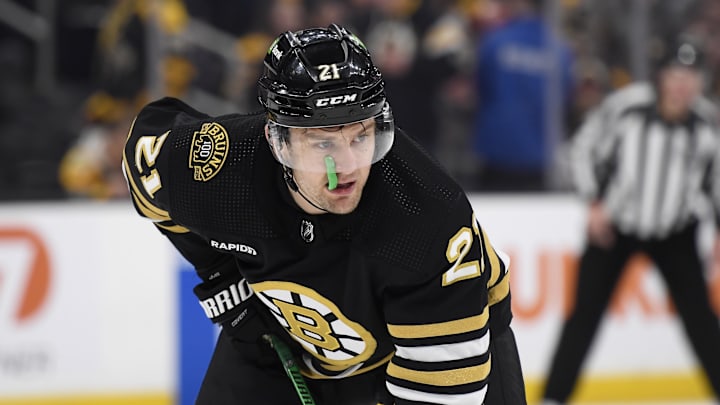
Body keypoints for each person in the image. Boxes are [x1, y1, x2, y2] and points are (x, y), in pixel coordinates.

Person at [122, 24, 527, 404]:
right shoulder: (220, 170)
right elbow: (145, 165)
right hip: (280, 336)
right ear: (276, 139)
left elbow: (441, 391)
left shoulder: (425, 219)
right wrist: (220, 275)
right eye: (322, 144)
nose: (348, 166)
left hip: (438, 344)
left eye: (361, 136)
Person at [541, 35, 720, 404]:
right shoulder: (626, 108)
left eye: (691, 74)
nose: (683, 83)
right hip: (615, 229)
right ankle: (553, 398)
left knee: (701, 321)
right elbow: (580, 150)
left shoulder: (707, 124)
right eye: (675, 73)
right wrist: (592, 203)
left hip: (676, 231)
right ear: (661, 77)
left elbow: (716, 181)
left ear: (702, 81)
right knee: (584, 315)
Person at [471, 0, 575, 192]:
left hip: (497, 151)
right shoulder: (559, 50)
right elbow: (566, 98)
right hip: (541, 154)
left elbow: (479, 88)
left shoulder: (495, 42)